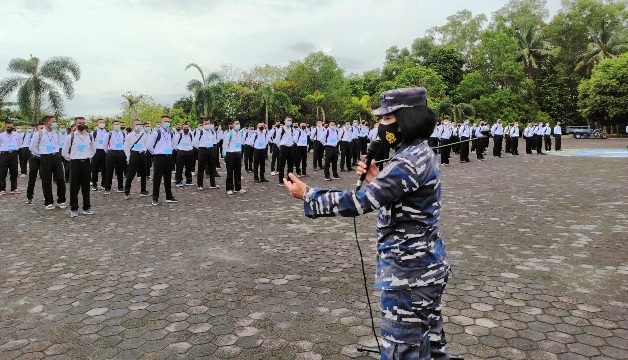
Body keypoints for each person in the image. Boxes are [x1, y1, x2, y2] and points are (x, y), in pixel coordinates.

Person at [283, 87, 451, 360]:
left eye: (386, 119)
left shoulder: (407, 162)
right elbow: (403, 204)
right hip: (425, 269)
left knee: (402, 351)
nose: (381, 125)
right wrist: (377, 179)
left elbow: (359, 202)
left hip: (407, 276)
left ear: (405, 119)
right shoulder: (417, 153)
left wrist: (308, 195)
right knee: (431, 348)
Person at [29, 116, 67, 210]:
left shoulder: (56, 133)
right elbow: (32, 147)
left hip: (56, 156)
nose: (55, 123)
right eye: (53, 121)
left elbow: (58, 144)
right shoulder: (39, 133)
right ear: (47, 123)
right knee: (46, 180)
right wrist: (40, 154)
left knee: (60, 178)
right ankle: (48, 201)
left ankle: (61, 200)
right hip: (45, 157)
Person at [61, 117, 96, 217]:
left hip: (86, 163)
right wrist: (72, 158)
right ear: (75, 125)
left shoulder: (89, 136)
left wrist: (88, 156)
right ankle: (74, 208)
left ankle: (87, 207)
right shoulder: (71, 137)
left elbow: (93, 149)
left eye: (84, 123)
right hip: (75, 163)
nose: (82, 124)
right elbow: (64, 152)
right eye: (80, 123)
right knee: (74, 187)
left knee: (86, 186)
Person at [147, 115, 179, 205]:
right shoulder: (156, 133)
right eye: (165, 121)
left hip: (168, 157)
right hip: (159, 157)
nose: (167, 123)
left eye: (168, 121)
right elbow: (149, 146)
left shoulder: (170, 133)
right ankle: (155, 198)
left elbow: (173, 144)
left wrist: (169, 151)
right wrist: (156, 153)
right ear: (161, 122)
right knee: (157, 179)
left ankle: (169, 196)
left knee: (168, 178)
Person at [123, 119, 150, 199]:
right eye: (136, 124)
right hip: (134, 155)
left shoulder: (143, 135)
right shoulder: (129, 136)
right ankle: (127, 192)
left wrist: (144, 150)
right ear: (133, 125)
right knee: (131, 174)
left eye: (139, 124)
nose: (138, 125)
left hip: (142, 155)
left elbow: (146, 144)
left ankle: (143, 190)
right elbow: (126, 147)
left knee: (143, 173)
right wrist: (128, 157)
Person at [193, 119, 220, 191]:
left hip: (210, 149)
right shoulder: (200, 132)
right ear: (203, 124)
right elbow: (194, 143)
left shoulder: (212, 131)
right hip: (203, 149)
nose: (207, 125)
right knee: (201, 168)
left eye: (208, 124)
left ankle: (213, 184)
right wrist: (201, 148)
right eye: (205, 124)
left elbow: (214, 141)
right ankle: (200, 184)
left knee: (212, 167)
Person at [222, 120, 246, 195]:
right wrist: (224, 155)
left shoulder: (240, 134)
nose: (238, 125)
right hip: (230, 154)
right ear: (232, 125)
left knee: (238, 171)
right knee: (230, 172)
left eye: (239, 123)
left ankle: (238, 187)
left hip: (238, 153)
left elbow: (241, 143)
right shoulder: (229, 134)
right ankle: (229, 188)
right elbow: (224, 145)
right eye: (236, 124)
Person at [103, 120, 126, 194]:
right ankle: (107, 188)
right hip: (111, 153)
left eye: (118, 124)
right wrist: (109, 152)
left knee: (120, 171)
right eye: (115, 124)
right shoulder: (108, 134)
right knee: (109, 171)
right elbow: (105, 145)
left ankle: (120, 187)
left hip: (121, 153)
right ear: (112, 125)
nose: (117, 125)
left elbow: (125, 143)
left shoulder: (123, 133)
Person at [0, 121, 21, 195]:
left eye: (11, 127)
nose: (9, 128)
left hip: (14, 154)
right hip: (4, 154)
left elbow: (19, 143)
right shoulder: (1, 135)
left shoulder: (17, 135)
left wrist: (15, 149)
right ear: (5, 127)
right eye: (8, 127)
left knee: (14, 172)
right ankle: (2, 189)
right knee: (2, 172)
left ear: (13, 127)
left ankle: (14, 188)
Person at [25, 123, 44, 204]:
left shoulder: (48, 136)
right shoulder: (35, 136)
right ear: (36, 129)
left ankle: (46, 196)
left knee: (45, 178)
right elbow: (31, 147)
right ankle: (29, 197)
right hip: (35, 158)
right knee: (32, 178)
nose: (43, 129)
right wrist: (40, 154)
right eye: (41, 128)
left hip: (44, 159)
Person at [174, 122, 195, 187]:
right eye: (184, 128)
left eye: (187, 128)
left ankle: (189, 180)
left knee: (189, 167)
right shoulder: (178, 135)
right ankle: (178, 181)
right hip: (181, 153)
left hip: (189, 153)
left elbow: (193, 143)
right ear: (182, 128)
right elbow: (174, 145)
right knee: (179, 168)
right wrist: (179, 150)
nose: (186, 129)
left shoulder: (191, 135)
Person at [276, 117, 296, 186]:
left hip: (290, 147)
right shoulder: (281, 129)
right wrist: (280, 147)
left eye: (290, 120)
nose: (289, 121)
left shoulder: (292, 129)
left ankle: (289, 179)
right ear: (284, 121)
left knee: (290, 165)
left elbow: (294, 138)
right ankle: (281, 180)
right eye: (288, 120)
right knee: (282, 164)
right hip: (283, 147)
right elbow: (277, 140)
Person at [91, 118, 108, 191]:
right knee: (95, 169)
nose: (102, 123)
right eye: (100, 122)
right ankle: (94, 184)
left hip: (104, 151)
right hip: (96, 151)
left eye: (103, 122)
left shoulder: (107, 132)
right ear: (97, 124)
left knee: (105, 169)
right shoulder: (93, 132)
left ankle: (103, 183)